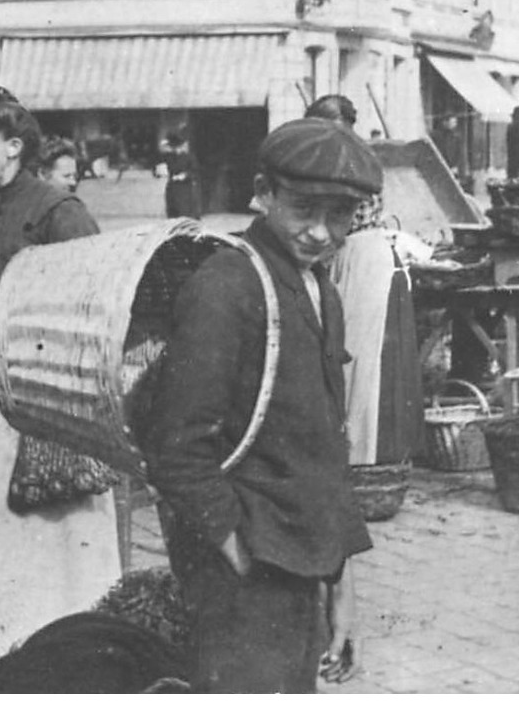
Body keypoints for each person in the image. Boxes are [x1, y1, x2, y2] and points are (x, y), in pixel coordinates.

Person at [142, 118, 380, 693]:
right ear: (263, 192)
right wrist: (238, 553)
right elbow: (175, 450)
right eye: (302, 208)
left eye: (340, 215)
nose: (321, 232)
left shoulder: (320, 291)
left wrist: (341, 590)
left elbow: (326, 451)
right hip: (244, 575)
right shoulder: (226, 286)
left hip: (301, 567)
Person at [0, 88, 121, 677]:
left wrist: (5, 318)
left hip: (40, 412)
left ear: (14, 147)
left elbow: (93, 311)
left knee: (52, 553)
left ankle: (65, 671)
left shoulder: (58, 211)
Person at [305, 95, 421, 468]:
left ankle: (362, 456)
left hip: (361, 260)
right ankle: (366, 453)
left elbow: (336, 228)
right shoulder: (354, 156)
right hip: (363, 256)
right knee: (359, 360)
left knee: (359, 360)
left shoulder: (346, 161)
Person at [162, 133, 199, 219]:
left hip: (184, 188)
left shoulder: (189, 157)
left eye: (177, 147)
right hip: (172, 187)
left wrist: (185, 175)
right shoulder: (168, 157)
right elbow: (159, 169)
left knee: (184, 211)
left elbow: (195, 172)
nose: (176, 150)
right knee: (172, 212)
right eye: (173, 147)